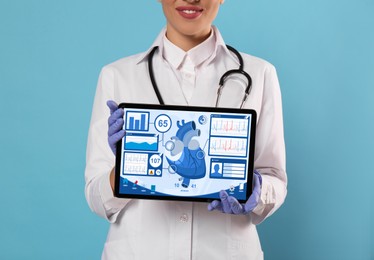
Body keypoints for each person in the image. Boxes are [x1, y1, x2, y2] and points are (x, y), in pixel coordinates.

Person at [85, 0, 287, 259]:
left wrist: (256, 192)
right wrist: (126, 168)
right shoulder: (117, 76)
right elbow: (95, 198)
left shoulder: (260, 74)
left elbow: (275, 180)